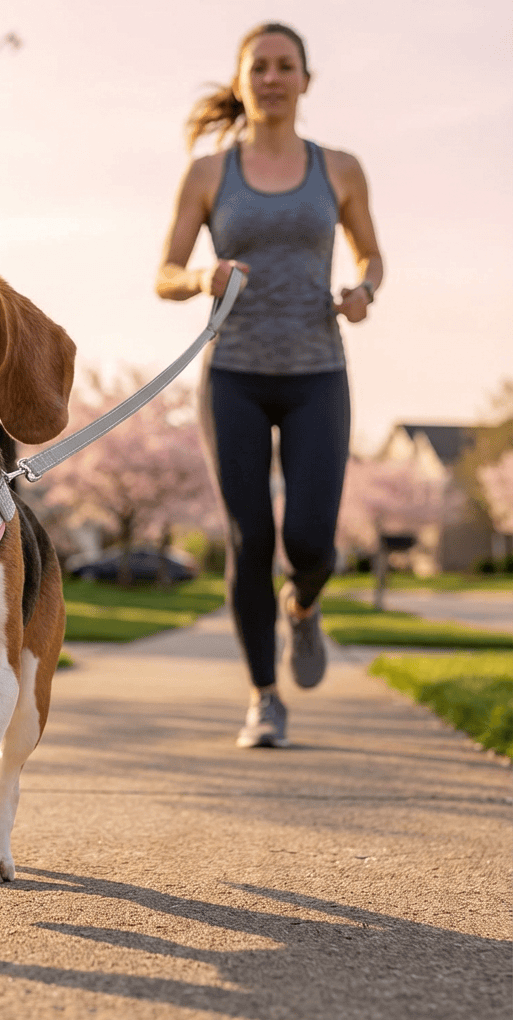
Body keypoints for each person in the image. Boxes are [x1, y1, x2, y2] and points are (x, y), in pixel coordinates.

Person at [155, 22, 384, 748]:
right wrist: (200, 276)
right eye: (260, 67)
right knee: (251, 536)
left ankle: (305, 606)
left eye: (287, 66)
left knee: (312, 538)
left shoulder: (340, 167)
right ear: (242, 79)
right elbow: (163, 273)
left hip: (318, 371)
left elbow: (372, 256)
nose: (273, 77)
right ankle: (264, 698)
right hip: (234, 376)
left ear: (306, 81)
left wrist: (363, 292)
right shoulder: (209, 173)